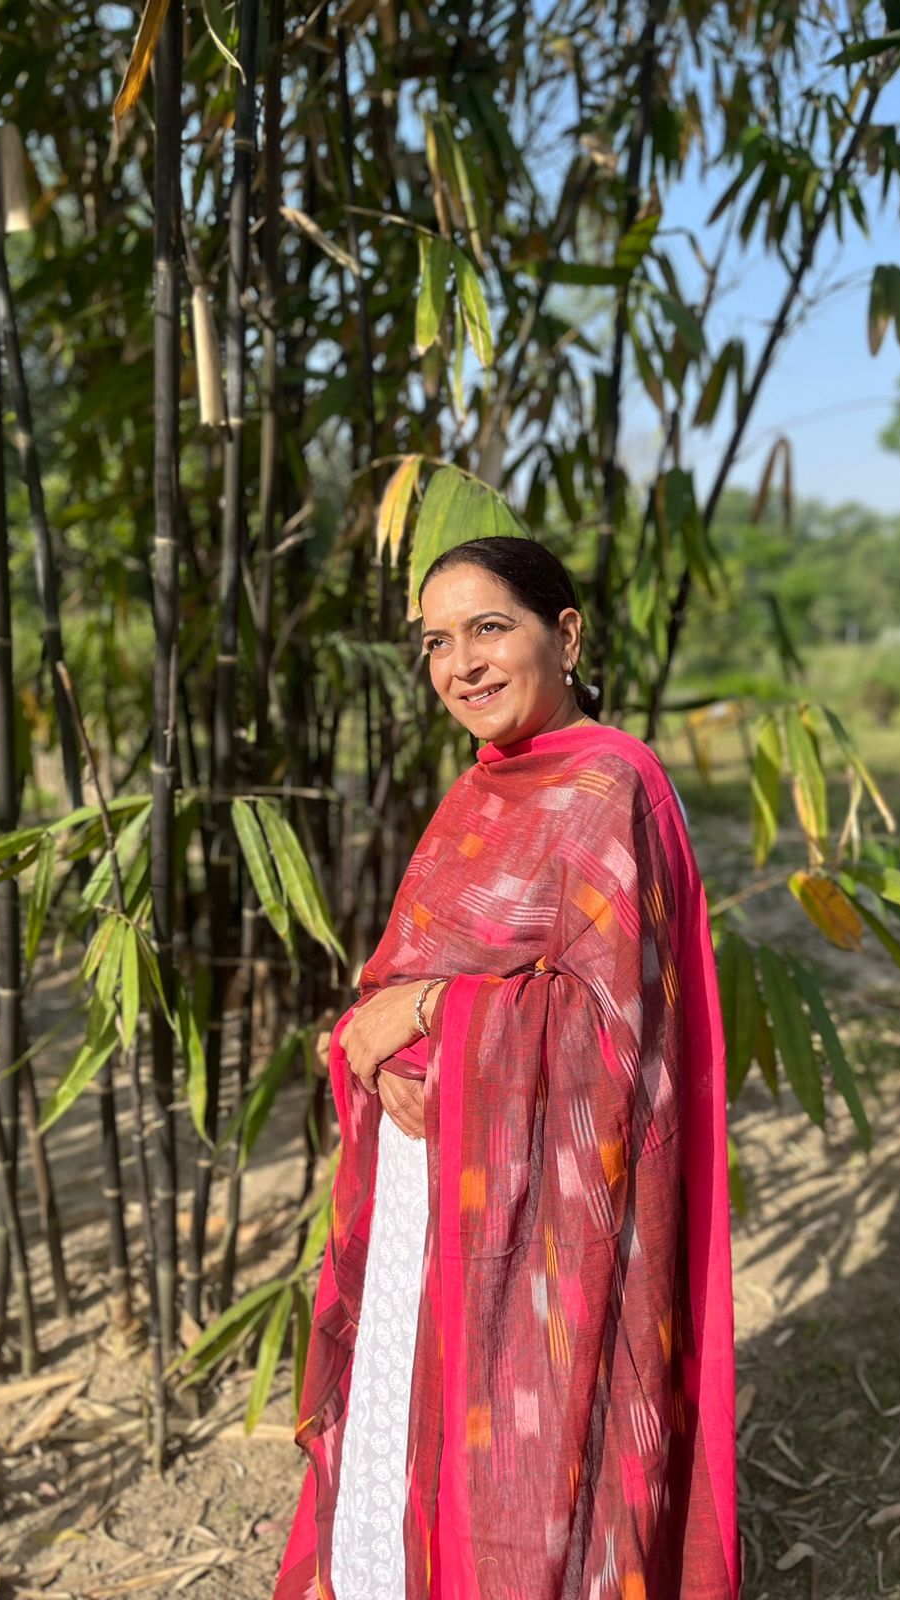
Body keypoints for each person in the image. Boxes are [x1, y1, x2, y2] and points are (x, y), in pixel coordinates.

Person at [274, 536, 740, 1600]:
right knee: (403, 1456)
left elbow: (611, 1031)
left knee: (529, 1472)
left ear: (564, 633)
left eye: (490, 628)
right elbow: (399, 975)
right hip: (421, 1203)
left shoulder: (611, 786)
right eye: (437, 641)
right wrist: (364, 1035)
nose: (461, 664)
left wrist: (435, 1012)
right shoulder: (477, 793)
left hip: (546, 1220)